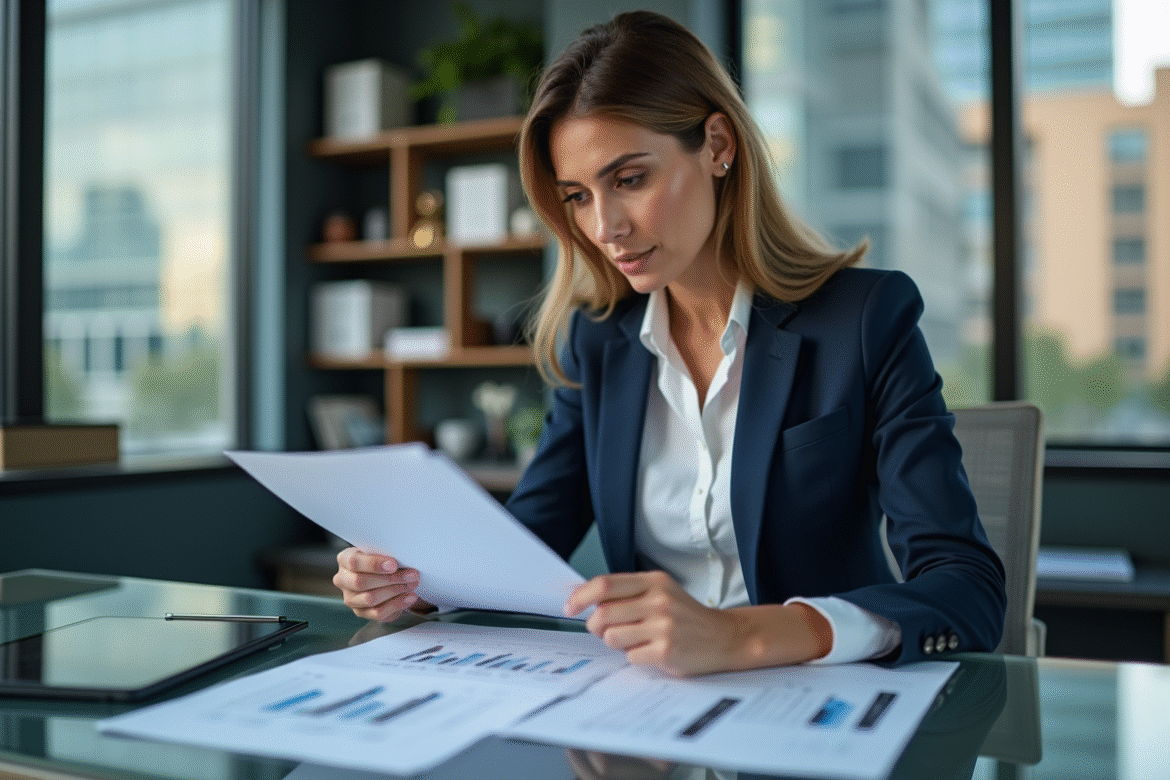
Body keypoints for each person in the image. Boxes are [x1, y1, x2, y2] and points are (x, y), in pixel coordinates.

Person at [334, 10, 1006, 676]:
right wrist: (417, 583)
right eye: (578, 196)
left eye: (630, 180)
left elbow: (967, 586)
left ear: (717, 145)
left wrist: (745, 636)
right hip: (651, 703)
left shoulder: (863, 320)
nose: (605, 227)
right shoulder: (598, 342)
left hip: (821, 697)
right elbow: (524, 546)